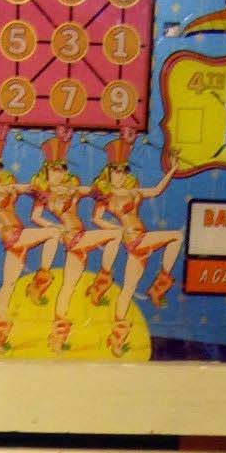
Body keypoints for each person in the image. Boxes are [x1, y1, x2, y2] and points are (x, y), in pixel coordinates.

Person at [0, 127, 61, 352]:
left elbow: (28, 188)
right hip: (11, 233)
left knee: (8, 284)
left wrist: (42, 184)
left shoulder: (8, 186)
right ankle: (40, 281)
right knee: (54, 233)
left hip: (18, 234)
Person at [27, 128, 118, 350]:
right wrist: (56, 227)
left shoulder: (72, 189)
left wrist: (103, 186)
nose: (58, 172)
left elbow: (93, 191)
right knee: (115, 233)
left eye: (62, 168)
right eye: (54, 168)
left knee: (68, 285)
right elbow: (35, 217)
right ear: (46, 170)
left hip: (80, 239)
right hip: (73, 237)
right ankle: (102, 281)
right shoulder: (44, 193)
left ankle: (57, 337)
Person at [91, 135, 182, 355]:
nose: (121, 175)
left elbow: (157, 190)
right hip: (134, 239)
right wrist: (116, 229)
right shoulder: (106, 194)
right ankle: (158, 287)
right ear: (109, 172)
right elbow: (96, 218)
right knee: (176, 237)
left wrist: (172, 169)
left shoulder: (133, 191)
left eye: (124, 170)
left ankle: (117, 339)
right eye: (116, 171)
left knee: (128, 288)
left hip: (140, 240)